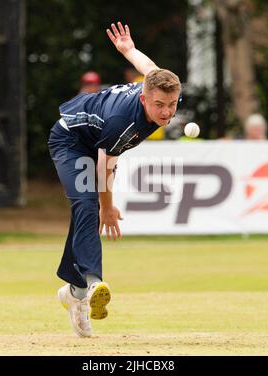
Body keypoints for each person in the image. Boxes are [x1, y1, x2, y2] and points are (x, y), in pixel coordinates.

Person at [48, 22, 181, 337]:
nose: (166, 112)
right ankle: (93, 282)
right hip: (70, 140)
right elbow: (104, 170)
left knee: (86, 208)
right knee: (87, 203)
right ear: (143, 99)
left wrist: (129, 49)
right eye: (159, 105)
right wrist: (108, 209)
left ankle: (75, 293)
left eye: (172, 104)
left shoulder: (162, 88)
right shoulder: (122, 123)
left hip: (94, 141)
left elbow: (148, 68)